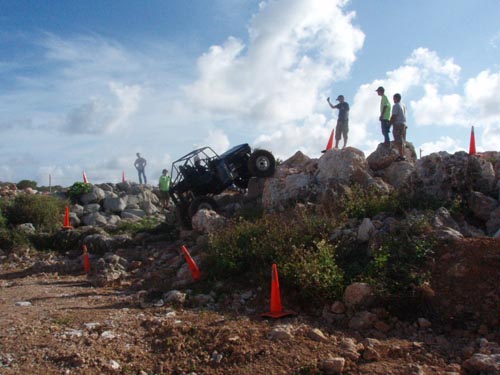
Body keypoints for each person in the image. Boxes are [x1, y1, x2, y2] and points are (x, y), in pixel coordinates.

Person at [390, 93, 407, 161]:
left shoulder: (396, 106)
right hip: (404, 123)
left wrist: (389, 124)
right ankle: (403, 154)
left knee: (398, 139)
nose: (393, 100)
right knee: (402, 140)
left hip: (398, 124)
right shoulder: (403, 105)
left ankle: (401, 155)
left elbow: (394, 116)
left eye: (394, 98)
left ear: (396, 98)